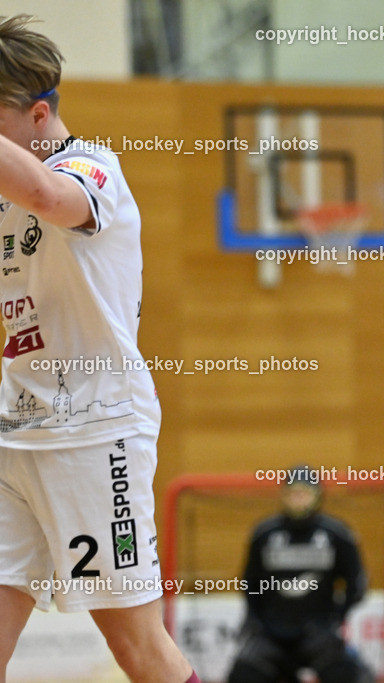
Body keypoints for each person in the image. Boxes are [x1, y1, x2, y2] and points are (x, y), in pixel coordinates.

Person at [0, 15, 199, 683]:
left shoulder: (92, 167)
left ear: (39, 114)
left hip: (95, 430)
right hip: (13, 432)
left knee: (137, 648)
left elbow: (45, 195)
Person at [227, 465, 374, 683]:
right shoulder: (264, 533)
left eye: (304, 494)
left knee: (351, 676)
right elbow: (250, 583)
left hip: (318, 632)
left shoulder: (337, 534)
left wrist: (335, 618)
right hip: (271, 635)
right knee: (243, 674)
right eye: (292, 494)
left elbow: (357, 584)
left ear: (317, 496)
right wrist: (256, 622)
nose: (298, 499)